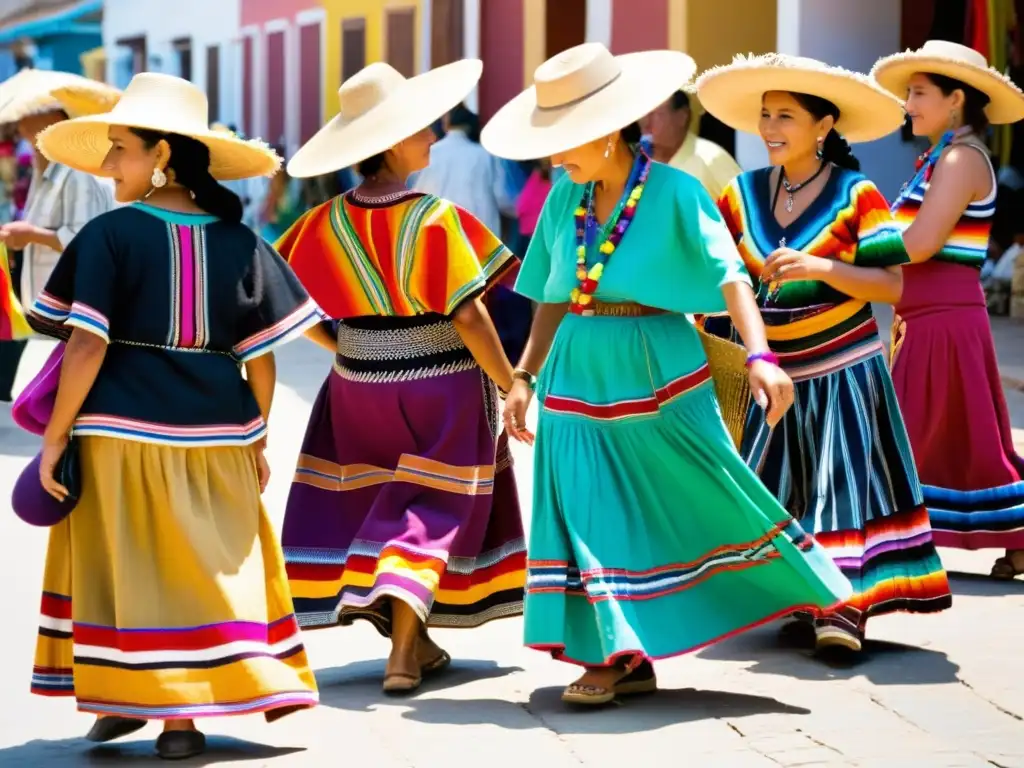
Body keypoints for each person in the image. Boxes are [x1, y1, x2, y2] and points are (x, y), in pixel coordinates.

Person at [480, 42, 852, 705]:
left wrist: (762, 357)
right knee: (582, 509)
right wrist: (523, 377)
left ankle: (793, 589)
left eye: (566, 140)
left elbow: (730, 277)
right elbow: (553, 296)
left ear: (605, 130)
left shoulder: (678, 191)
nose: (554, 156)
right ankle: (613, 654)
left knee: (699, 490)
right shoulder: (568, 198)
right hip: (575, 372)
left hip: (660, 368)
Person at [24, 72, 320, 759]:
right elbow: (265, 358)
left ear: (162, 154)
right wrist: (257, 438)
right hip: (220, 432)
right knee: (204, 568)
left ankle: (169, 716)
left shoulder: (109, 236)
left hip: (121, 436)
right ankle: (158, 712)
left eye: (120, 149)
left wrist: (55, 436)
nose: (106, 165)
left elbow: (86, 344)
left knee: (130, 570)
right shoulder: (238, 240)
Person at [277, 60, 526, 695]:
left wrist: (342, 342)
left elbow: (287, 303)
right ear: (391, 143)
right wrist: (508, 380)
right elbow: (469, 313)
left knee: (377, 498)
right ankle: (405, 654)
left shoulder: (323, 221)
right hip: (438, 381)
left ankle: (417, 642)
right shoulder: (434, 219)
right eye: (423, 128)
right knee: (430, 505)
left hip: (356, 381)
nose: (435, 138)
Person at [694, 53, 952, 654]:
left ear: (824, 125)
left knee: (838, 490)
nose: (770, 128)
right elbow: (721, 276)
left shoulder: (855, 194)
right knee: (779, 490)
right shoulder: (740, 193)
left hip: (843, 369)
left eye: (785, 115)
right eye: (764, 115)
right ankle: (802, 596)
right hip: (772, 374)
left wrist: (821, 267)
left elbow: (892, 284)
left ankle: (842, 611)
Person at [871, 41, 1024, 578]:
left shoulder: (961, 159)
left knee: (939, 437)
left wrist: (840, 251)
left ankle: (885, 542)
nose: (908, 103)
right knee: (953, 437)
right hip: (923, 318)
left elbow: (920, 242)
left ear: (955, 99)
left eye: (918, 93)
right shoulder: (938, 158)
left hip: (945, 320)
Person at [0, 70, 116, 402]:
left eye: (27, 118)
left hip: (71, 307)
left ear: (52, 121)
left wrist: (32, 234)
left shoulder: (77, 173)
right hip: (46, 304)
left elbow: (85, 237)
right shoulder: (43, 168)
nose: (20, 127)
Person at [646, 89, 742, 200]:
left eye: (657, 114)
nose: (646, 122)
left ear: (682, 116)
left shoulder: (710, 159)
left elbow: (744, 210)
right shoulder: (636, 163)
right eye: (644, 113)